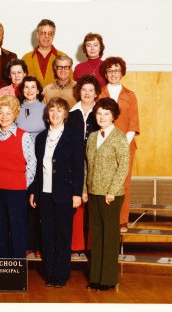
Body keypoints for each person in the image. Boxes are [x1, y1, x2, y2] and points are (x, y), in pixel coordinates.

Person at [29, 97, 84, 288]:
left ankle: (61, 275)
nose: (55, 114)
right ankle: (50, 273)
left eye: (59, 111)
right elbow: (37, 168)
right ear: (47, 114)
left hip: (64, 194)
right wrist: (34, 192)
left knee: (62, 234)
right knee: (47, 234)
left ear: (65, 114)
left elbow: (79, 167)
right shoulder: (41, 137)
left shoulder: (73, 137)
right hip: (44, 193)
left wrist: (77, 193)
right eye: (52, 110)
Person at [84, 97, 129, 291]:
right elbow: (87, 165)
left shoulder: (119, 137)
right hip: (94, 192)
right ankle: (95, 278)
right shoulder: (93, 136)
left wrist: (112, 191)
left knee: (109, 237)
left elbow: (123, 167)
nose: (102, 117)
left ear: (113, 116)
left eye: (106, 114)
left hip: (111, 195)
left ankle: (108, 279)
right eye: (99, 113)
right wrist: (85, 189)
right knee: (96, 236)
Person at [0, 95, 36, 258]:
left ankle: (17, 269)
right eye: (1, 113)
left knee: (17, 228)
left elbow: (32, 163)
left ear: (15, 114)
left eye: (8, 113)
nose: (4, 117)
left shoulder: (23, 136)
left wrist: (23, 185)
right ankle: (0, 266)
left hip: (17, 190)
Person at [99, 57, 140, 233]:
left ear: (122, 72)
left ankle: (122, 220)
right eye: (110, 71)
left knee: (123, 183)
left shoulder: (130, 95)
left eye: (116, 70)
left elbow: (133, 123)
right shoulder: (100, 93)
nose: (113, 74)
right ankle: (106, 219)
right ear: (105, 74)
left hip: (126, 146)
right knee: (104, 183)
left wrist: (122, 145)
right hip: (103, 146)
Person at [66, 74, 101, 260]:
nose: (87, 93)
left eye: (91, 90)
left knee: (94, 204)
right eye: (84, 90)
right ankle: (77, 246)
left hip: (96, 162)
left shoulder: (101, 112)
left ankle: (91, 247)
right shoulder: (71, 114)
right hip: (76, 162)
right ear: (79, 92)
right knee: (78, 203)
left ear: (96, 94)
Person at [16, 76, 46, 259]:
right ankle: (26, 243)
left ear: (38, 89)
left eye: (32, 87)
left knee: (38, 204)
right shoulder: (16, 108)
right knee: (24, 204)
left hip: (40, 159)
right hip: (21, 161)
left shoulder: (44, 109)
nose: (29, 90)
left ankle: (38, 244)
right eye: (26, 87)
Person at [22, 19, 68, 89]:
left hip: (57, 99)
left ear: (53, 35)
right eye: (43, 33)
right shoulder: (26, 58)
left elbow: (70, 83)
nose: (47, 36)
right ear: (37, 35)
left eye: (50, 33)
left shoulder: (63, 57)